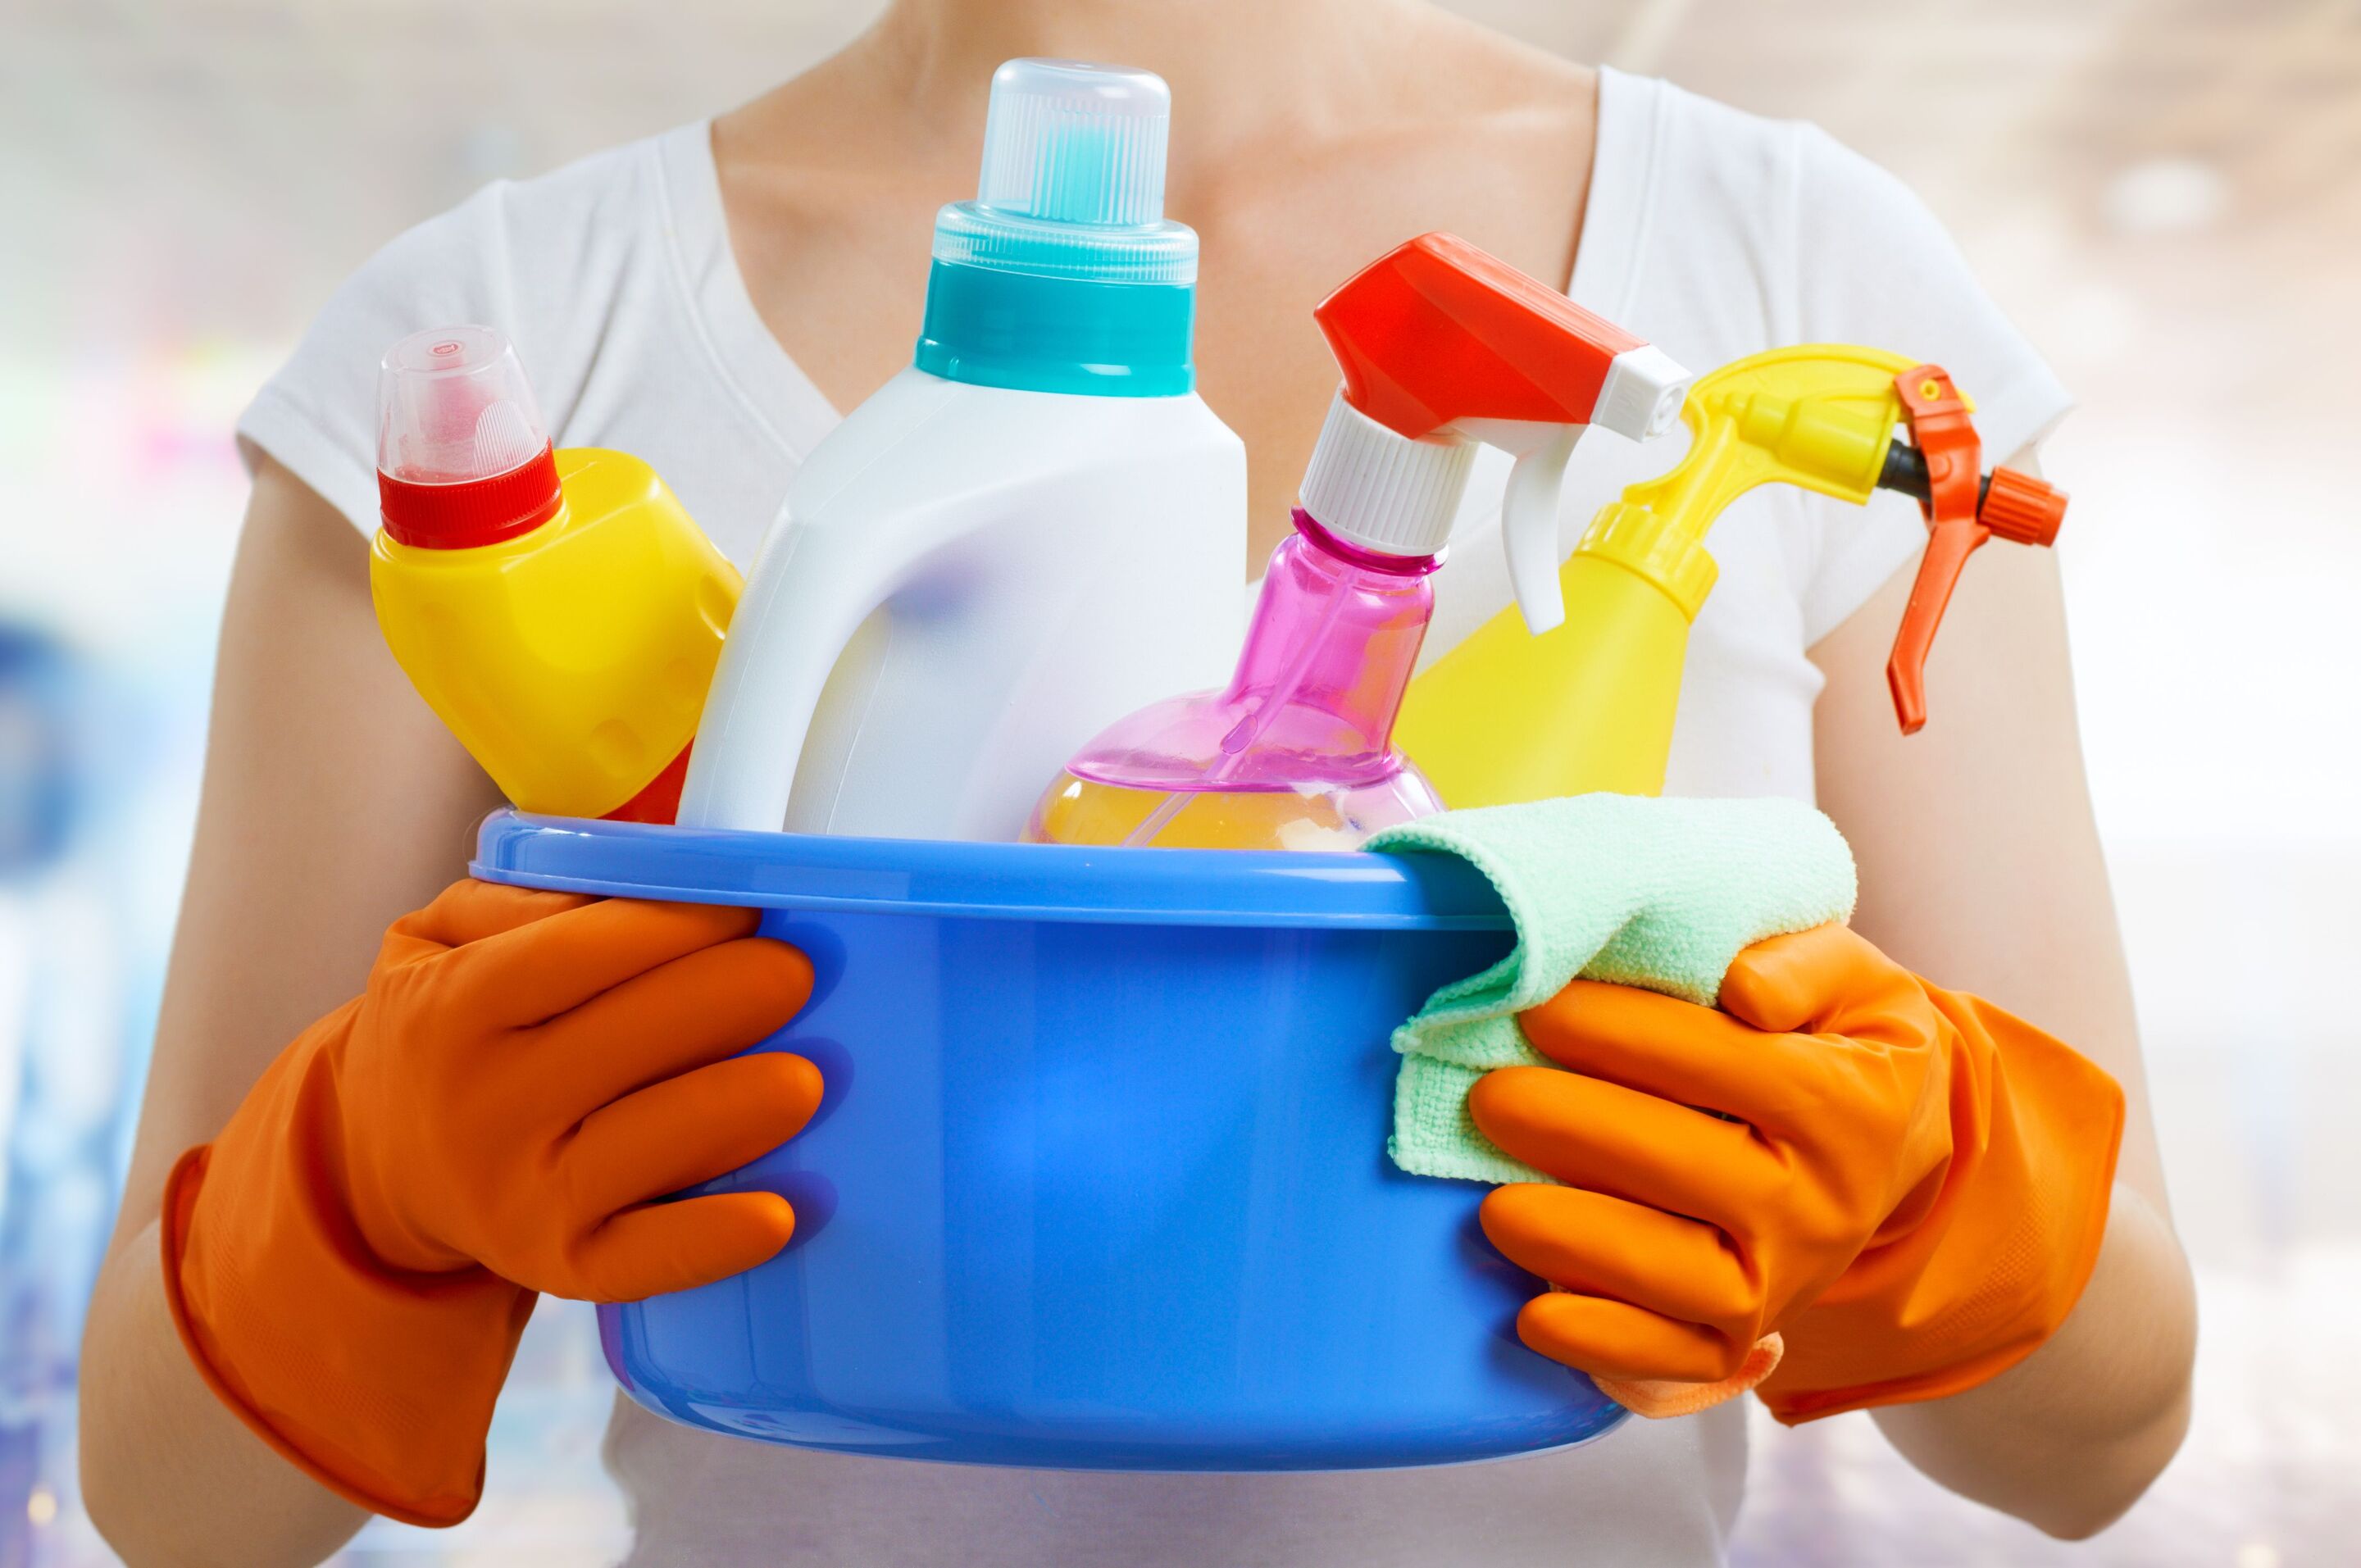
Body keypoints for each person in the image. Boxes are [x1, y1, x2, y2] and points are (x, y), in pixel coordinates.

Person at [77, 2, 2197, 1563]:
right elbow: (174, 1496)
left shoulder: (1792, 279)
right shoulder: (512, 338)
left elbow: (2101, 1434)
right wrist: (359, 1184)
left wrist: (1926, 1183)